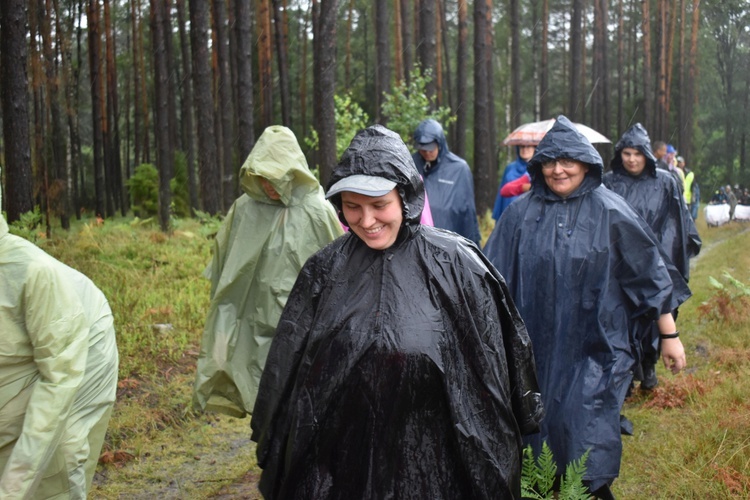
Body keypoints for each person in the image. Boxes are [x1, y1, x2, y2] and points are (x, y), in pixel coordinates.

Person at [251, 125, 544, 499]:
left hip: (436, 457)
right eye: (352, 207)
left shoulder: (456, 264)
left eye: (379, 205)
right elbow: (289, 368)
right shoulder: (324, 270)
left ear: (405, 196)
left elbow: (496, 359)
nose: (367, 221)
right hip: (344, 458)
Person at [483, 116, 688, 499]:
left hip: (597, 354)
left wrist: (670, 336)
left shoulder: (612, 212)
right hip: (534, 356)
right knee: (537, 444)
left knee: (587, 443)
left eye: (568, 161)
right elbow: (489, 282)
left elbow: (650, 276)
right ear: (539, 165)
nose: (558, 170)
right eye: (550, 161)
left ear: (586, 163)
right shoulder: (519, 215)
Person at [193, 126, 344, 418]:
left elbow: (340, 269)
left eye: (275, 177)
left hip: (302, 321)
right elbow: (226, 264)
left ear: (293, 173)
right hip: (254, 318)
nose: (269, 185)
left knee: (301, 392)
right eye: (262, 177)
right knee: (262, 390)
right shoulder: (245, 209)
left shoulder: (317, 210)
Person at [0, 197, 119, 498]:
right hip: (24, 355)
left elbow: (60, 378)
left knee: (58, 459)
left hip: (84, 344)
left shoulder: (32, 272)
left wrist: (12, 489)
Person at [603, 123, 701, 390]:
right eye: (626, 154)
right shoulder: (609, 182)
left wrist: (664, 258)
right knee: (621, 317)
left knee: (655, 314)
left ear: (647, 154)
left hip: (656, 259)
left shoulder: (665, 181)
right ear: (619, 155)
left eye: (637, 153)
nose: (632, 159)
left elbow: (676, 223)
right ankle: (625, 373)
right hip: (619, 262)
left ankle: (648, 364)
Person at [411, 119, 482, 245]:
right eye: (423, 149)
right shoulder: (411, 164)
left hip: (448, 243)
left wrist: (472, 246)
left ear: (440, 143)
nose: (427, 153)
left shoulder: (459, 169)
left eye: (431, 149)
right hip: (416, 242)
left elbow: (468, 214)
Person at [492, 144, 536, 221]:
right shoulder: (510, 168)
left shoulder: (537, 168)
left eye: (528, 146)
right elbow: (502, 192)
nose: (524, 149)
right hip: (508, 210)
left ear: (534, 148)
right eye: (522, 146)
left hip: (528, 214)